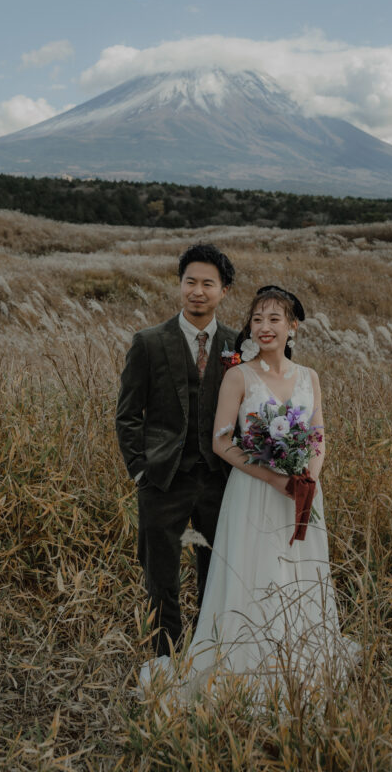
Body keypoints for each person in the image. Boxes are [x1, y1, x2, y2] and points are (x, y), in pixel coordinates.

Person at [140, 285, 359, 695]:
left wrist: (307, 478)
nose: (264, 327)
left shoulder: (309, 376)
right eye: (257, 320)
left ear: (293, 327)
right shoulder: (238, 376)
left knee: (297, 573)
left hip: (303, 492)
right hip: (255, 491)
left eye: (275, 319)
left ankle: (299, 662)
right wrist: (278, 479)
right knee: (254, 575)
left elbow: (318, 433)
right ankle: (245, 669)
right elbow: (223, 442)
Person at [115, 243, 237, 657]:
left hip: (220, 480)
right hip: (162, 479)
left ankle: (207, 656)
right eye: (190, 282)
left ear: (224, 291)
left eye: (208, 283)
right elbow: (127, 413)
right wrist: (139, 469)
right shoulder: (149, 342)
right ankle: (164, 659)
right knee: (160, 578)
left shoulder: (238, 345)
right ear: (180, 285)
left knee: (217, 574)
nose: (197, 291)